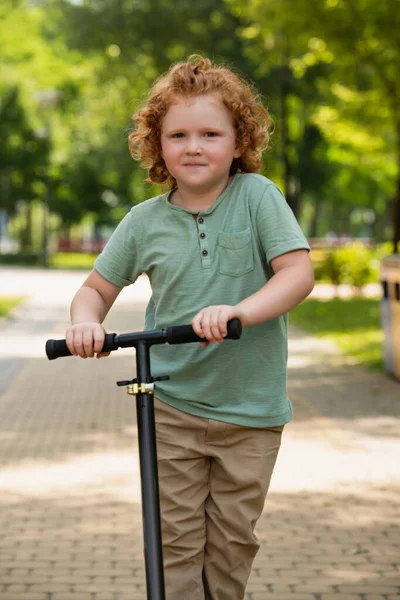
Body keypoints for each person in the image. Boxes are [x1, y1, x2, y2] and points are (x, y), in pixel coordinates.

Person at [65, 55, 314, 600]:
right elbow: (95, 290)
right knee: (173, 545)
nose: (193, 146)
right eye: (177, 134)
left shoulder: (258, 198)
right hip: (172, 408)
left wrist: (238, 312)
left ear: (239, 140)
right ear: (157, 145)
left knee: (230, 546)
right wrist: (86, 324)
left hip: (250, 411)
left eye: (210, 133)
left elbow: (297, 273)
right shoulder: (144, 221)